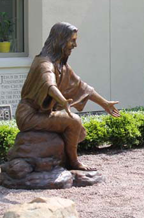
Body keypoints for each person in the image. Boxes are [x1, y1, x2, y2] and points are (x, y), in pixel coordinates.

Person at [15, 22, 120, 171]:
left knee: (80, 133)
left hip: (43, 114)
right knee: (74, 122)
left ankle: (55, 158)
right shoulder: (44, 63)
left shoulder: (61, 65)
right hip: (29, 115)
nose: (75, 45)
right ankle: (73, 162)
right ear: (60, 40)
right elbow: (49, 84)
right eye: (72, 40)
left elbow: (82, 87)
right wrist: (62, 100)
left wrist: (105, 103)